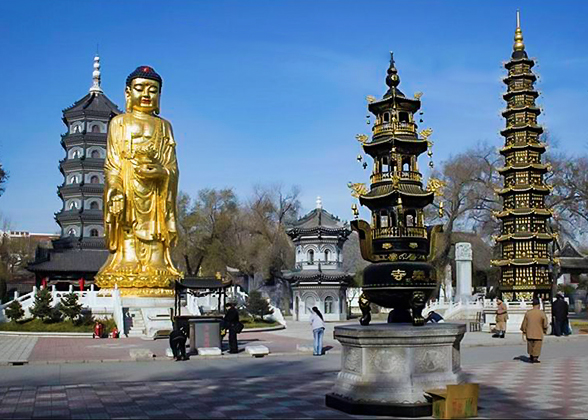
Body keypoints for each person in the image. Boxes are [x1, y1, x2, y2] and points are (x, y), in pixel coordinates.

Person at [520, 298, 548, 364]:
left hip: (529, 332)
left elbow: (524, 323)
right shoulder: (541, 313)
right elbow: (545, 323)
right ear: (538, 305)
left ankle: (531, 356)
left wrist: (523, 330)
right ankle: (535, 357)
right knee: (537, 345)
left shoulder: (528, 313)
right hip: (538, 332)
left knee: (530, 345)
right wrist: (545, 329)